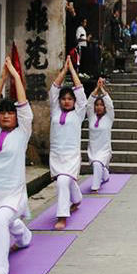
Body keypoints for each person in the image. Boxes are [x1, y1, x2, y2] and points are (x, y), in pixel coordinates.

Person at [0, 58, 34, 274]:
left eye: (10, 114)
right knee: (7, 222)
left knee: (2, 220)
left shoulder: (22, 133)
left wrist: (14, 76)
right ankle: (24, 237)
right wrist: (1, 79)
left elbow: (23, 107)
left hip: (13, 192)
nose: (5, 116)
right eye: (2, 113)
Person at [49, 56, 87, 230]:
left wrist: (72, 70)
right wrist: (63, 71)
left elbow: (79, 91)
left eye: (69, 99)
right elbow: (53, 89)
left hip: (71, 155)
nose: (66, 101)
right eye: (63, 98)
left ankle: (62, 216)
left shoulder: (78, 113)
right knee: (66, 181)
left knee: (63, 181)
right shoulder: (55, 111)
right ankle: (77, 198)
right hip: (56, 155)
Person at [86, 78, 115, 193]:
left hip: (104, 149)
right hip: (93, 148)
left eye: (101, 105)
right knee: (97, 165)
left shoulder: (109, 118)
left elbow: (110, 104)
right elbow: (89, 104)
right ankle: (105, 175)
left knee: (98, 163)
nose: (98, 107)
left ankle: (95, 187)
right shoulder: (91, 117)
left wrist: (102, 89)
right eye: (97, 105)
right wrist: (96, 88)